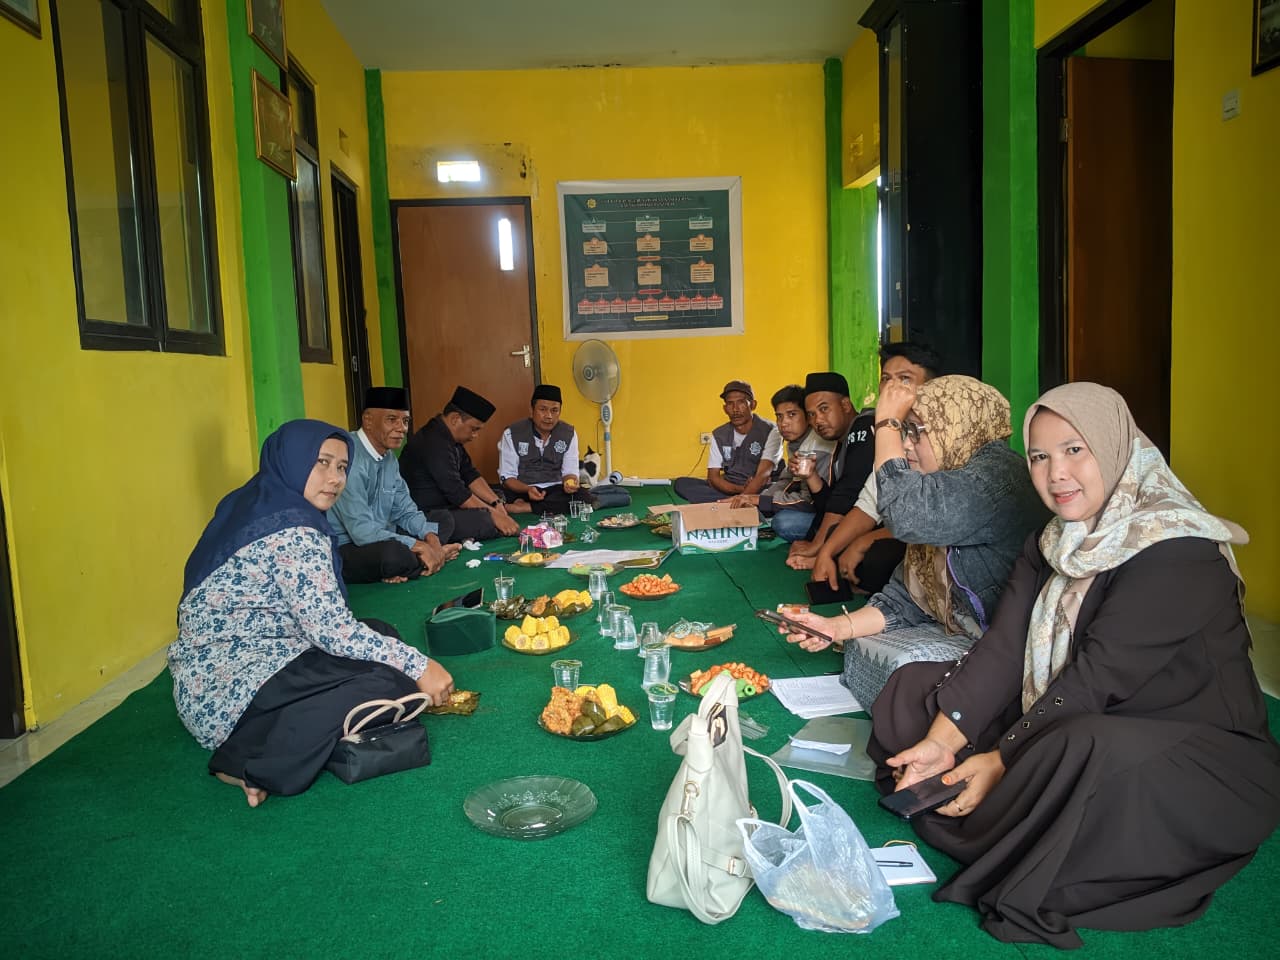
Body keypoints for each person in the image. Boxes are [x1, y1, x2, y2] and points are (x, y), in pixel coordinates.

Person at [866, 383, 1280, 948]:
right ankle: (987, 791)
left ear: (1114, 446)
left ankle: (1002, 802)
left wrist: (1002, 758)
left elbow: (1099, 678)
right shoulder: (1053, 542)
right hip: (1074, 711)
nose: (1055, 473)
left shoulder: (1176, 547)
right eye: (1040, 456)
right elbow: (1006, 647)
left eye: (1074, 450)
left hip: (1188, 750)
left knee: (1079, 745)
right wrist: (944, 739)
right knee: (914, 687)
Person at [169, 419, 457, 807]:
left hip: (205, 681)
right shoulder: (295, 529)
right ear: (292, 460)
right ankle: (250, 761)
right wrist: (419, 666)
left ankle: (291, 728)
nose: (334, 478)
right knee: (391, 681)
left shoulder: (255, 500)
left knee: (381, 633)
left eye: (341, 466)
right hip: (233, 697)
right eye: (321, 462)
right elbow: (332, 632)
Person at [780, 375, 1047, 708]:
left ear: (954, 426)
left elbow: (907, 516)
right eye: (903, 431)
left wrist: (887, 425)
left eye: (915, 431)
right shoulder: (944, 478)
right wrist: (834, 627)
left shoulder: (997, 476)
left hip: (1013, 653)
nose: (905, 445)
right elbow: (905, 598)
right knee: (866, 655)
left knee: (909, 689)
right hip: (970, 636)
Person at [801, 343, 942, 590]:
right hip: (898, 527)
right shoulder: (894, 431)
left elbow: (937, 518)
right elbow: (868, 503)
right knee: (837, 539)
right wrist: (826, 551)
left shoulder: (945, 433)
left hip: (937, 536)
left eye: (905, 379)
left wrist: (866, 540)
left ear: (931, 387)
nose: (891, 388)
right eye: (886, 379)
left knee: (875, 558)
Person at [327, 387, 457, 584]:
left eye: (405, 421)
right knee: (393, 555)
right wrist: (418, 545)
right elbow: (362, 532)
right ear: (368, 420)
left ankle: (425, 557)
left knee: (442, 521)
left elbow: (405, 509)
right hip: (348, 546)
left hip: (384, 535)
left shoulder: (389, 458)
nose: (402, 428)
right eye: (392, 420)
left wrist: (431, 539)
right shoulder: (348, 457)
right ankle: (423, 559)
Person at [399, 385, 521, 542]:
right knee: (485, 521)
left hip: (448, 507)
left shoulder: (450, 438)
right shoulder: (433, 442)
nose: (475, 435)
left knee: (497, 495)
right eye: (473, 429)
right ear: (455, 419)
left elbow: (470, 474)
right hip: (427, 514)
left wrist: (496, 503)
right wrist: (495, 516)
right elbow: (456, 492)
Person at [725, 384, 835, 541]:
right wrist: (753, 499)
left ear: (808, 417)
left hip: (831, 514)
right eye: (779, 416)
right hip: (813, 505)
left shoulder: (817, 447)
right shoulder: (795, 443)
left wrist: (758, 500)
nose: (783, 423)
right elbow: (785, 480)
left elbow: (809, 501)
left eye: (792, 414)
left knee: (784, 522)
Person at [673, 380, 780, 504]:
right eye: (730, 404)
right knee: (681, 484)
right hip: (730, 487)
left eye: (741, 402)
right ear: (724, 409)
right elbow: (713, 477)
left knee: (773, 492)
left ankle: (727, 504)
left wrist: (746, 496)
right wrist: (740, 491)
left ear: (753, 405)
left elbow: (763, 475)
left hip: (759, 487)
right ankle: (733, 503)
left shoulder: (771, 431)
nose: (735, 409)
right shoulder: (719, 434)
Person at [497, 384, 583, 515]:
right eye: (543, 409)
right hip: (523, 489)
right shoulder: (512, 433)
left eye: (554, 410)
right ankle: (537, 505)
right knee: (500, 493)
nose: (549, 416)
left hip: (554, 489)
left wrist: (570, 483)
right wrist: (528, 489)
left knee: (582, 496)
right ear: (532, 410)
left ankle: (525, 507)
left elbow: (570, 471)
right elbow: (508, 477)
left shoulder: (568, 433)